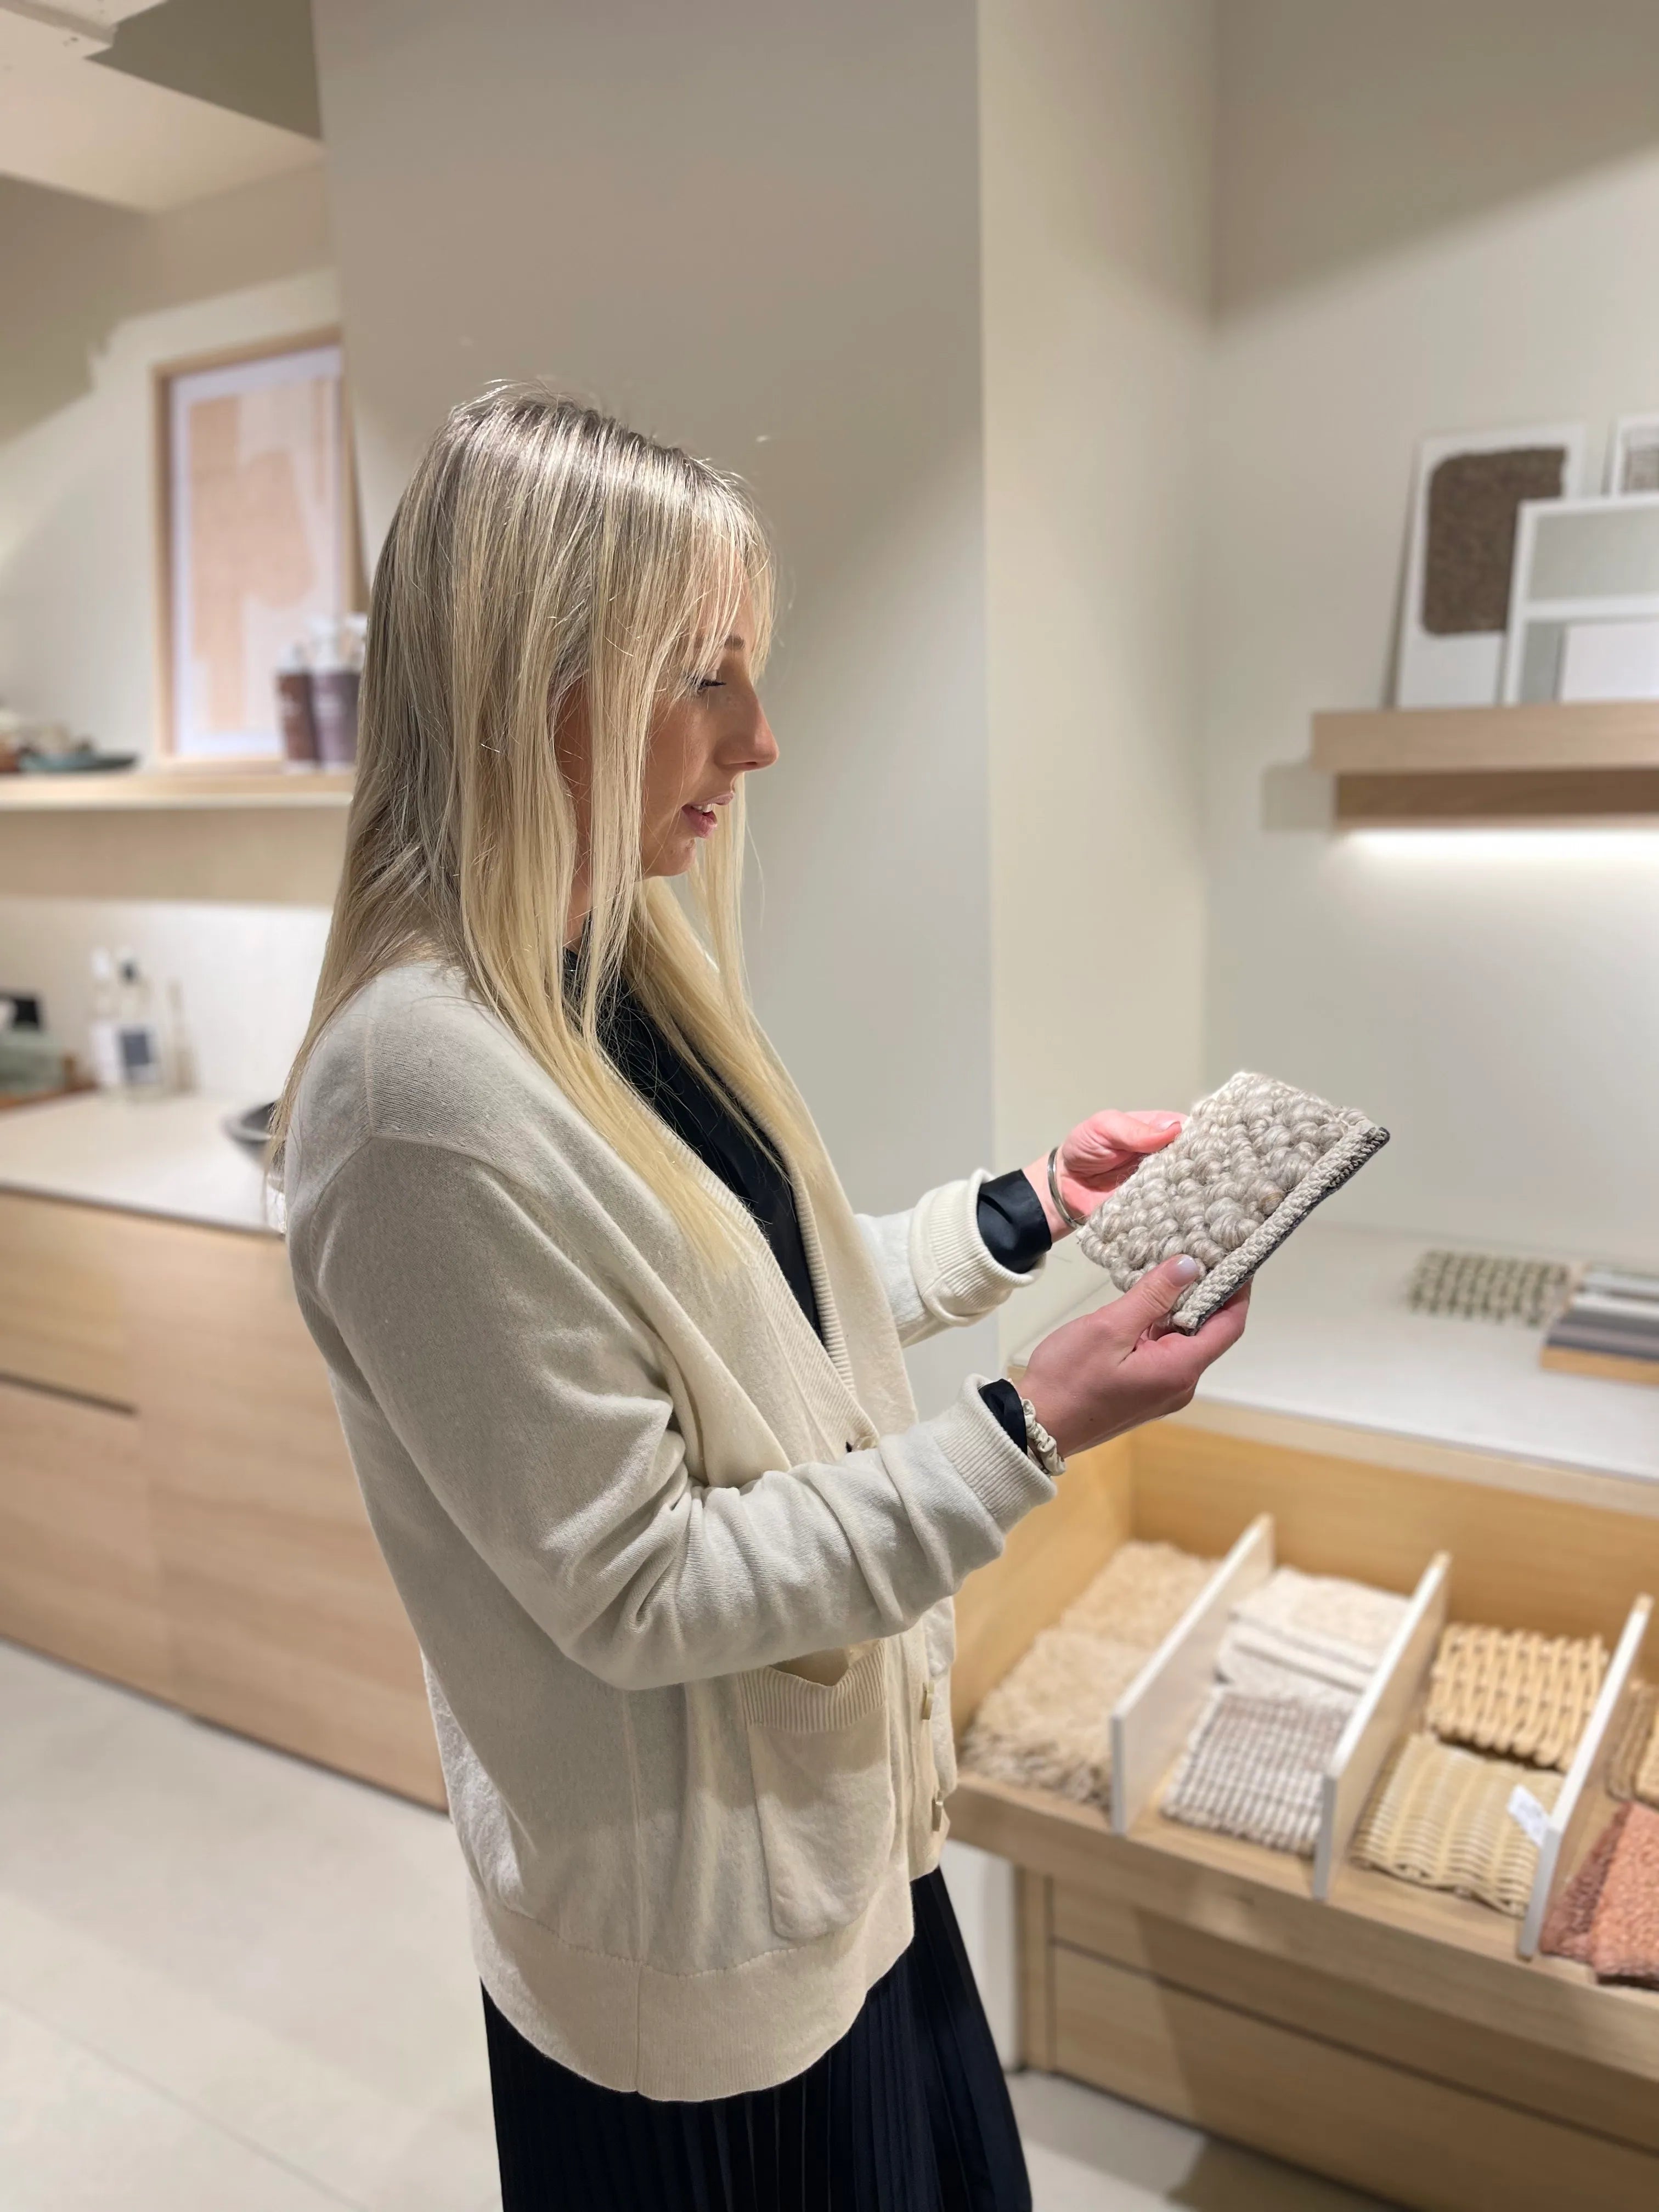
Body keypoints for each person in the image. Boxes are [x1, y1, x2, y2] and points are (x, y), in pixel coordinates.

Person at [277, 386, 1248, 2212]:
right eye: (703, 675)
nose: (763, 739)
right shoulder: (414, 1104)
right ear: (526, 685)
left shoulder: (606, 961)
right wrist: (1031, 1425)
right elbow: (640, 1582)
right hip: (703, 1963)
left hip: (842, 1862)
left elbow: (753, 1333)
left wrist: (1027, 1210)